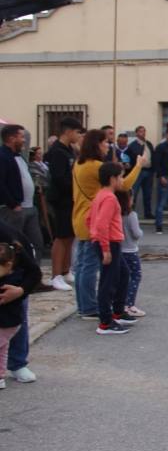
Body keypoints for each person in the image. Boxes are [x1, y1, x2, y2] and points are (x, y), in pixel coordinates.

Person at [72, 130, 144, 319]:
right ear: (96, 144)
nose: (108, 145)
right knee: (91, 267)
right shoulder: (95, 166)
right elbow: (123, 185)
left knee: (82, 266)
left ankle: (83, 304)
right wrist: (138, 167)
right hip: (96, 219)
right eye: (105, 142)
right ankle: (90, 308)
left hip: (81, 215)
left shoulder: (78, 164)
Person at [87, 162, 135, 335]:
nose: (122, 180)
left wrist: (94, 236)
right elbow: (101, 224)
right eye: (120, 177)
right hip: (109, 243)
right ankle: (105, 322)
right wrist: (105, 248)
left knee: (123, 273)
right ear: (112, 179)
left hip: (106, 241)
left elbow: (89, 218)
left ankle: (117, 311)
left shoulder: (100, 195)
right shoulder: (109, 198)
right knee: (109, 281)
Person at [0, 222, 42, 388]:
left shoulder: (6, 234)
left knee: (15, 318)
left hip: (12, 288)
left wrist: (20, 291)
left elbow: (34, 272)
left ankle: (17, 363)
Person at [1, 125, 46, 272]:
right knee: (14, 244)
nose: (24, 140)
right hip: (14, 208)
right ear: (11, 138)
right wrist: (13, 203)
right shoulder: (3, 156)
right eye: (21, 136)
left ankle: (34, 275)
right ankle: (15, 276)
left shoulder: (20, 157)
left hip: (29, 206)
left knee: (37, 243)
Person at [45, 117, 81, 291]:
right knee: (61, 237)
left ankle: (66, 270)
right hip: (62, 199)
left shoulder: (69, 150)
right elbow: (60, 178)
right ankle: (56, 275)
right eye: (77, 132)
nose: (78, 135)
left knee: (70, 236)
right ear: (68, 131)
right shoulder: (57, 151)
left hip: (71, 199)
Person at [118, 190, 145, 317]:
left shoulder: (117, 214)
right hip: (131, 250)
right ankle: (129, 304)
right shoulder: (131, 215)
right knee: (135, 276)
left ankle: (121, 303)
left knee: (121, 278)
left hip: (120, 249)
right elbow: (136, 233)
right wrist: (141, 232)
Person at [126, 125, 155, 219]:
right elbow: (127, 157)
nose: (143, 133)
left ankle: (148, 213)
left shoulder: (149, 144)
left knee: (148, 193)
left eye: (144, 131)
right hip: (138, 171)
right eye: (141, 131)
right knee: (134, 192)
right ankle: (131, 212)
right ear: (137, 133)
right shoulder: (133, 145)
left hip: (149, 171)